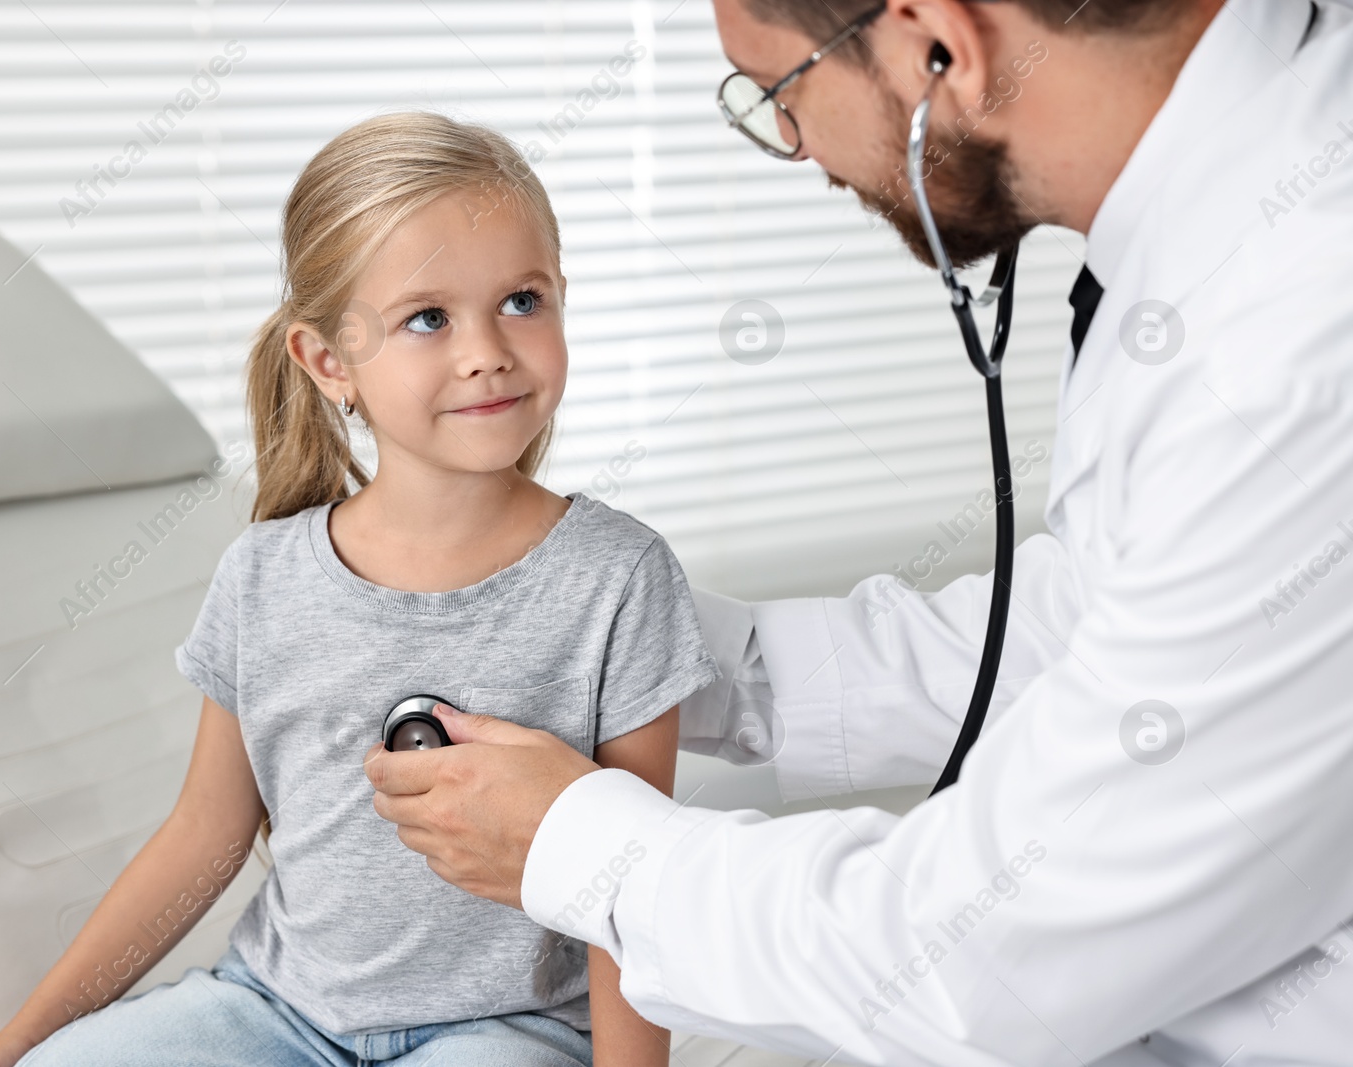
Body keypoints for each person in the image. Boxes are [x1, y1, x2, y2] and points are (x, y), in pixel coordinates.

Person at [363, 1, 1353, 1063]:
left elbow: (988, 970)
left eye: (781, 91)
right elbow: (1111, 616)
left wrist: (574, 844)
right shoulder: (1219, 205)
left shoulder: (1302, 332)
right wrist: (640, 642)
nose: (790, 142)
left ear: (941, 44)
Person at [0, 111, 719, 1067]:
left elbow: (624, 882)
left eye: (522, 300)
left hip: (503, 1032)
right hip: (276, 1011)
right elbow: (204, 834)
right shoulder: (265, 577)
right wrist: (23, 1038)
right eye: (428, 318)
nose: (486, 349)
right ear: (329, 363)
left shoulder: (617, 577)